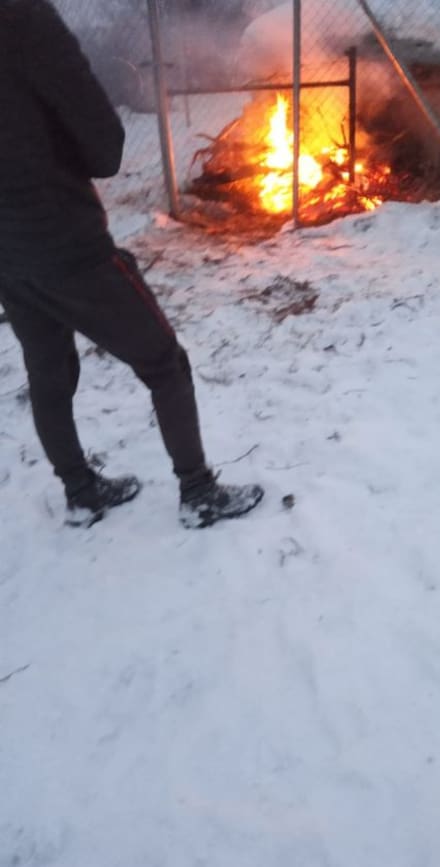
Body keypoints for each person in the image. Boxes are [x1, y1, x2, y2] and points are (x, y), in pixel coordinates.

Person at [0, 0, 263, 528]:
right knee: (165, 361)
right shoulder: (26, 19)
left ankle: (80, 491)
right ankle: (199, 493)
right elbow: (105, 147)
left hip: (8, 252)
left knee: (48, 370)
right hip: (65, 243)